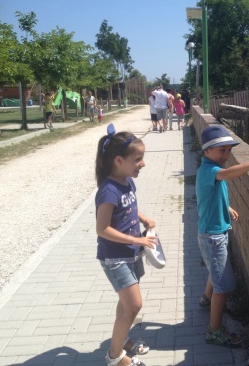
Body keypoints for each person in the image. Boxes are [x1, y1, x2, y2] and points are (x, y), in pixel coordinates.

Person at [196, 125, 249, 347]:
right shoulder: (210, 171)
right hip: (213, 237)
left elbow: (213, 194)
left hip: (212, 232)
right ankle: (214, 331)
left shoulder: (209, 169)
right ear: (206, 151)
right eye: (221, 150)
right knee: (224, 286)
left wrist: (227, 208)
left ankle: (205, 299)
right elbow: (226, 174)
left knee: (216, 269)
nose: (226, 155)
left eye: (229, 150)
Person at [95, 123, 158, 366]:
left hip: (132, 253)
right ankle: (115, 356)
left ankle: (123, 340)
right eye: (138, 159)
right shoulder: (108, 191)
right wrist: (136, 239)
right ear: (119, 160)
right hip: (115, 258)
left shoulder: (127, 181)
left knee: (126, 305)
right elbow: (102, 229)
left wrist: (142, 218)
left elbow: (128, 207)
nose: (142, 163)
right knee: (134, 304)